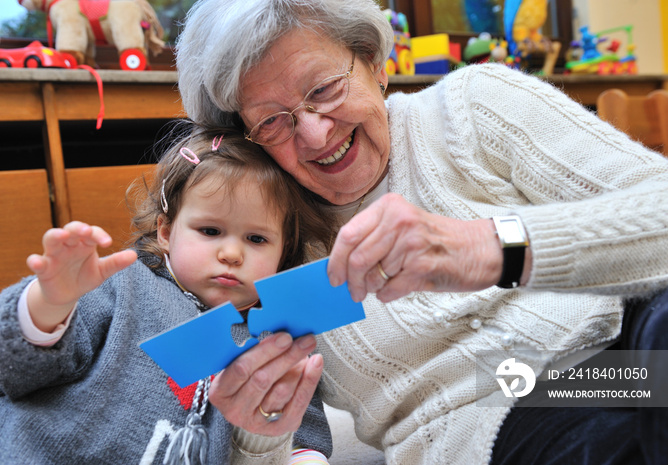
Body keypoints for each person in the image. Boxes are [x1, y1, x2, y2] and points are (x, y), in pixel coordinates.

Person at [174, 1, 668, 464]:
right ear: (247, 137)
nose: (316, 134)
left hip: (631, 349)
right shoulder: (263, 246)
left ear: (373, 62)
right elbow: (261, 434)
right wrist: (258, 430)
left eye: (323, 90)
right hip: (502, 419)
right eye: (273, 122)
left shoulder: (473, 108)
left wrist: (495, 247)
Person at [0, 125, 335, 465]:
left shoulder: (280, 337)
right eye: (209, 230)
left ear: (283, 252)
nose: (231, 254)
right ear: (165, 231)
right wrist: (51, 302)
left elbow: (303, 428)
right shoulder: (125, 286)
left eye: (256, 239)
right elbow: (20, 371)